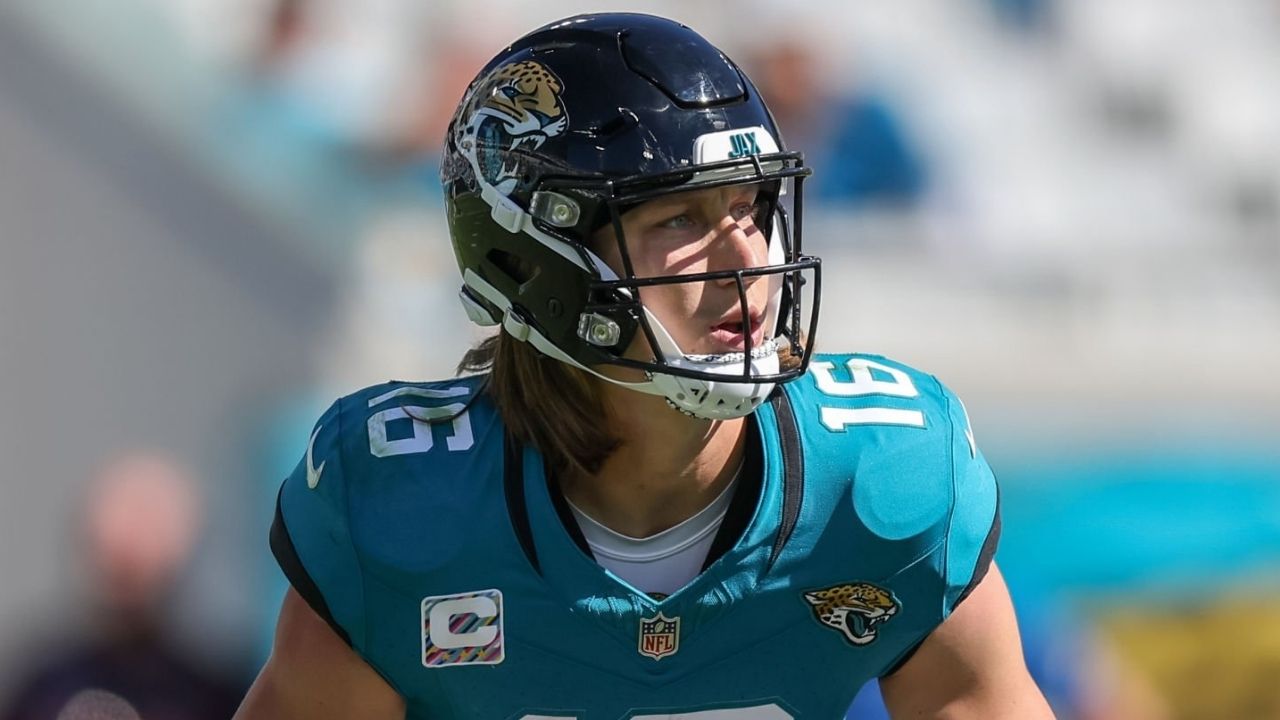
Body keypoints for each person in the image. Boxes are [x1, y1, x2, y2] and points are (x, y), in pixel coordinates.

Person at [236, 13, 1052, 719]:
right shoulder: (403, 508)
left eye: (751, 207)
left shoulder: (882, 482)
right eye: (680, 219)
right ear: (534, 261)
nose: (747, 258)